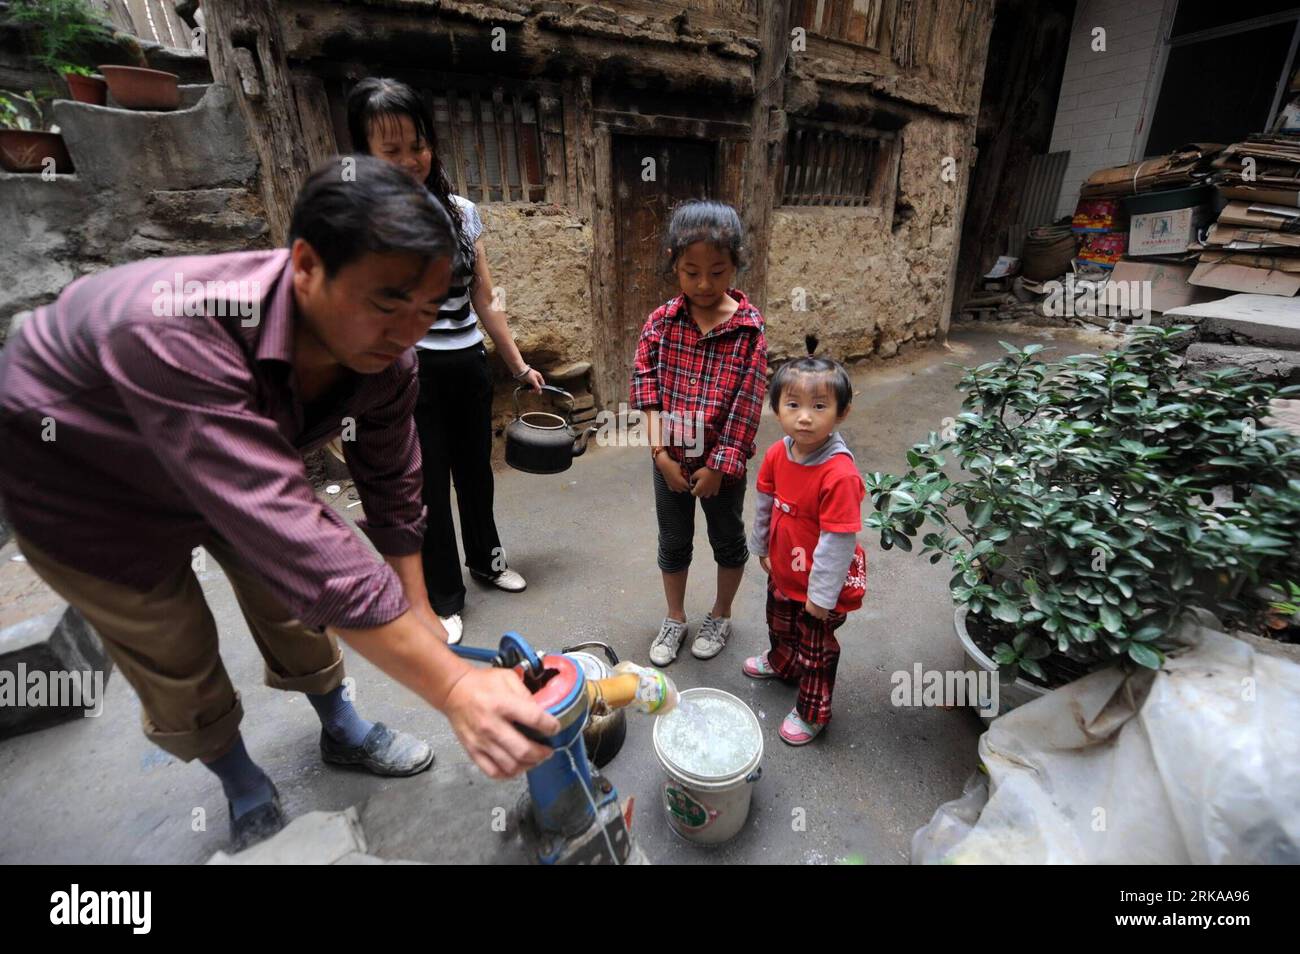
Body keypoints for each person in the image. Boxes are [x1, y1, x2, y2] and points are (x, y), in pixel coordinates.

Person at [0, 156, 559, 850]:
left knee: (296, 606)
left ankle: (342, 725)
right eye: (388, 302)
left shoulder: (389, 361)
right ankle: (240, 780)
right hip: (85, 491)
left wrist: (417, 612)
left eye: (426, 309)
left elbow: (392, 487)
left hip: (225, 456)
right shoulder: (172, 329)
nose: (409, 332)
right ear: (305, 265)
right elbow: (296, 537)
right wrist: (451, 688)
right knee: (173, 650)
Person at [347, 77, 545, 646]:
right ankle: (444, 596)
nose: (411, 159)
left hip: (467, 366)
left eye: (419, 144)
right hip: (410, 377)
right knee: (428, 485)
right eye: (393, 150)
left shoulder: (461, 212)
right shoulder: (364, 221)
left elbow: (485, 296)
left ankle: (488, 559)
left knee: (476, 474)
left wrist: (515, 361)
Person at [629, 200, 768, 666]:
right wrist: (660, 453)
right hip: (669, 459)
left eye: (717, 271)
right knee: (673, 540)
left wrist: (719, 465)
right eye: (691, 272)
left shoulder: (748, 330)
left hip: (721, 467)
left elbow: (748, 403)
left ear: (735, 265)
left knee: (727, 538)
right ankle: (675, 616)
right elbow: (645, 387)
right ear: (673, 262)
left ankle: (721, 613)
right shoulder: (660, 323)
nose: (704, 284)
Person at [745, 355, 867, 745]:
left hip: (820, 588)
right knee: (780, 624)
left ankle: (813, 711)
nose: (804, 417)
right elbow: (765, 499)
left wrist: (821, 597)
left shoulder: (839, 474)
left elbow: (838, 541)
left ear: (842, 411)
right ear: (777, 407)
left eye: (819, 406)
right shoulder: (777, 454)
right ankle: (781, 662)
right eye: (793, 405)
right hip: (782, 571)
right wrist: (762, 546)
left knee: (816, 652)